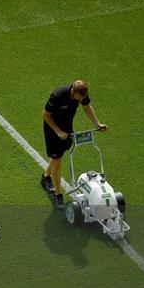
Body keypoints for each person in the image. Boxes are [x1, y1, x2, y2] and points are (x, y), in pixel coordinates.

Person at [40, 80, 109, 210]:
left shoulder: (82, 93)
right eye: (78, 99)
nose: (79, 101)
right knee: (57, 160)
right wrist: (58, 132)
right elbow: (45, 114)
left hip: (67, 127)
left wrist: (97, 124)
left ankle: (45, 177)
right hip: (52, 129)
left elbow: (87, 107)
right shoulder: (58, 95)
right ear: (73, 92)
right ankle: (58, 195)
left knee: (58, 155)